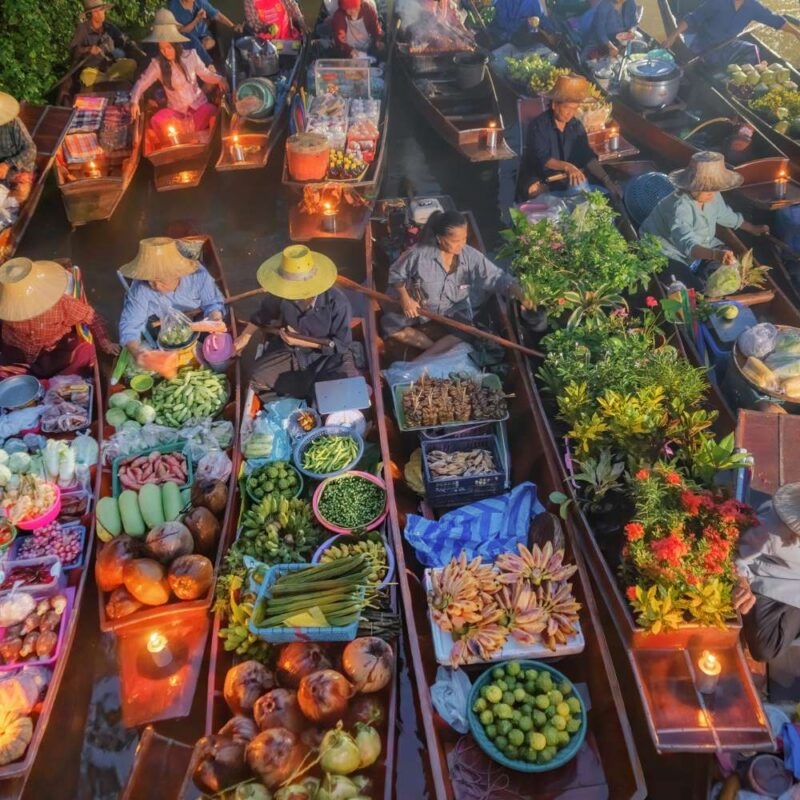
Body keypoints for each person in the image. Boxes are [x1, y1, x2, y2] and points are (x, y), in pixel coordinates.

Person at [380, 210, 530, 355]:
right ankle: (434, 350)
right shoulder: (418, 254)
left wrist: (521, 293)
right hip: (420, 307)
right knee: (389, 325)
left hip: (449, 309)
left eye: (464, 239)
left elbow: (498, 278)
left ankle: (430, 355)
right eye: (455, 241)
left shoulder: (470, 256)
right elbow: (395, 273)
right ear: (440, 239)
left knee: (468, 332)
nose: (461, 245)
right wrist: (405, 299)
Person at [234, 245, 357, 396]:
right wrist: (245, 336)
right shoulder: (281, 293)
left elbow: (342, 345)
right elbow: (263, 315)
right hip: (292, 352)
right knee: (256, 377)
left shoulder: (338, 303)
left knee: (344, 389)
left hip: (327, 357)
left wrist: (301, 342)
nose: (291, 294)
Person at [640, 151, 769, 267]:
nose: (712, 193)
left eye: (714, 188)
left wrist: (752, 228)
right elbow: (687, 243)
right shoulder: (680, 207)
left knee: (732, 264)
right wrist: (715, 255)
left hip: (704, 242)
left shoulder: (712, 194)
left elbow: (725, 215)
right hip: (667, 249)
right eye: (706, 188)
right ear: (692, 186)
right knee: (685, 282)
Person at [0, 257, 118, 379]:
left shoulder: (62, 303)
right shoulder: (4, 305)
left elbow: (92, 317)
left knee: (85, 352)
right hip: (17, 352)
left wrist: (106, 343)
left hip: (53, 352)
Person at [118, 237, 227, 368]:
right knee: (145, 351)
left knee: (220, 362)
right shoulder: (140, 287)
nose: (156, 286)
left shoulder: (198, 276)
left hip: (195, 317)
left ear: (178, 273)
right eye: (151, 280)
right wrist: (138, 354)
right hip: (159, 323)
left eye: (161, 280)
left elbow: (213, 304)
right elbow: (130, 325)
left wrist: (214, 320)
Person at [129, 9, 229, 147]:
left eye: (169, 48)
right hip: (176, 112)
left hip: (198, 107)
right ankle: (186, 138)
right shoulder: (157, 64)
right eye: (162, 49)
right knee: (157, 120)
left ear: (176, 45)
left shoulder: (191, 55)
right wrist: (134, 100)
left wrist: (219, 79)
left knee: (211, 111)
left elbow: (206, 74)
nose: (166, 52)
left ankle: (188, 137)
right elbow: (142, 82)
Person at [517, 74, 620, 201]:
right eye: (566, 108)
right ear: (555, 105)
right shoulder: (539, 125)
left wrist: (606, 180)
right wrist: (568, 167)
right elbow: (542, 158)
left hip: (568, 178)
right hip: (541, 176)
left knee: (596, 195)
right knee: (535, 191)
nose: (570, 113)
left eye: (574, 109)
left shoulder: (576, 126)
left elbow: (587, 156)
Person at [734, 483, 800, 663]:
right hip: (775, 581)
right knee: (766, 648)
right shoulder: (771, 532)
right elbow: (736, 552)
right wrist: (741, 582)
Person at [662, 0, 800, 67]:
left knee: (752, 49)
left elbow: (775, 20)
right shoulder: (717, 2)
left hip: (729, 43)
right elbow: (692, 19)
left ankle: (745, 82)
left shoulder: (753, 6)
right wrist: (672, 37)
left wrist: (796, 32)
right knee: (715, 63)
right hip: (705, 45)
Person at [68, 0, 138, 89]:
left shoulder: (109, 27)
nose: (101, 13)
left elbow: (124, 40)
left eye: (102, 10)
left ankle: (110, 80)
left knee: (131, 63)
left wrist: (133, 45)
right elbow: (73, 49)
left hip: (111, 68)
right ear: (91, 14)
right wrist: (88, 49)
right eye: (97, 11)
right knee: (85, 77)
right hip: (93, 71)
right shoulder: (83, 29)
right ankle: (112, 81)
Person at [168, 0, 242, 66]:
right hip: (187, 40)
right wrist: (196, 20)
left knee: (210, 43)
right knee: (193, 49)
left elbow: (217, 15)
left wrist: (232, 26)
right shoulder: (174, 6)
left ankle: (207, 65)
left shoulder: (200, 1)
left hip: (203, 35)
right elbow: (181, 31)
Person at [0, 93, 36, 205]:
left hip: (18, 171)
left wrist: (7, 164)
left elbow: (31, 150)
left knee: (18, 196)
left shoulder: (13, 123)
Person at [488, 0, 555, 46]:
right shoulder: (502, 2)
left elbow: (541, 17)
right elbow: (503, 23)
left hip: (528, 39)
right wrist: (525, 22)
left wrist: (550, 31)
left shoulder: (533, 1)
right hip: (505, 40)